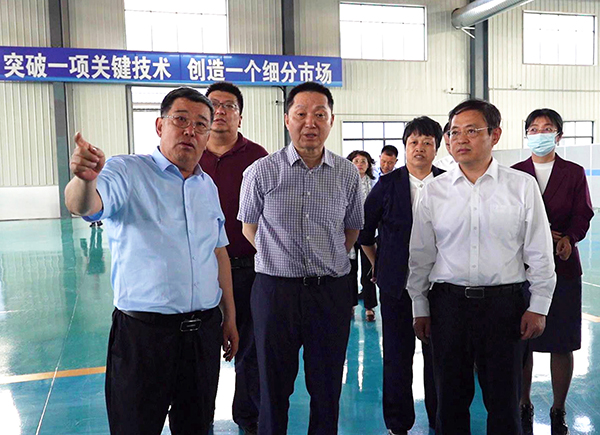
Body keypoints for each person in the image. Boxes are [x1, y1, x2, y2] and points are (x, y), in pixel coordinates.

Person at [64, 87, 239, 435]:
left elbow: (218, 251)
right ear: (160, 126)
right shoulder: (127, 171)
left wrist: (229, 316)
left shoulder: (207, 186)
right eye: (180, 120)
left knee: (197, 426)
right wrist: (84, 180)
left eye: (200, 125)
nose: (190, 131)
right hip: (144, 336)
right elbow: (84, 205)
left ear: (208, 135)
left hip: (202, 334)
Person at [407, 99, 556, 435]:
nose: (460, 139)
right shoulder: (434, 191)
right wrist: (420, 306)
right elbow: (421, 256)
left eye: (472, 131)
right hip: (448, 307)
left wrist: (539, 305)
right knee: (450, 404)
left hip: (504, 309)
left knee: (504, 406)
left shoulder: (521, 186)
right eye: (454, 132)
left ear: (495, 135)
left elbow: (539, 251)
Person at [238, 81, 363, 435]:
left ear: (331, 120)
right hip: (276, 292)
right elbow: (249, 227)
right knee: (273, 384)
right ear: (287, 120)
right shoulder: (261, 171)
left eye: (320, 114)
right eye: (301, 114)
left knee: (327, 384)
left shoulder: (347, 173)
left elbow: (352, 229)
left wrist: (327, 258)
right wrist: (279, 256)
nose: (311, 122)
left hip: (330, 293)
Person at [360, 116, 444, 435]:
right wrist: (380, 266)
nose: (419, 148)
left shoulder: (449, 183)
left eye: (427, 142)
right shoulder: (387, 185)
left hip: (440, 287)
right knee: (397, 357)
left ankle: (440, 419)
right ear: (405, 147)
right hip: (397, 288)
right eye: (413, 142)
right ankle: (398, 423)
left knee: (439, 358)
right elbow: (365, 233)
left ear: (436, 148)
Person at [513, 108, 594, 435]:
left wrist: (569, 239)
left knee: (562, 341)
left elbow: (583, 213)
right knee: (522, 340)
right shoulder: (516, 174)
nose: (540, 134)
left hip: (564, 267)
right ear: (526, 135)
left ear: (558, 136)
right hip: (521, 269)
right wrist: (540, 235)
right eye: (534, 129)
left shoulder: (573, 173)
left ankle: (558, 409)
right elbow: (507, 218)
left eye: (547, 129)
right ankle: (523, 403)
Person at [201, 81, 268, 435]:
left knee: (252, 349)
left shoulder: (259, 158)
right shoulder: (188, 154)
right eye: (214, 104)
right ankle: (200, 415)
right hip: (199, 272)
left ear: (240, 116)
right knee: (200, 349)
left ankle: (248, 416)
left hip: (249, 270)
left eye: (229, 106)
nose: (221, 111)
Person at [347, 150, 377, 321]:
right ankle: (350, 304)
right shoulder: (344, 182)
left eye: (363, 161)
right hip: (349, 230)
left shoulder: (375, 184)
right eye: (356, 161)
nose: (359, 164)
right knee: (350, 270)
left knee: (368, 271)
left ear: (368, 164)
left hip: (368, 232)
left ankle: (369, 306)